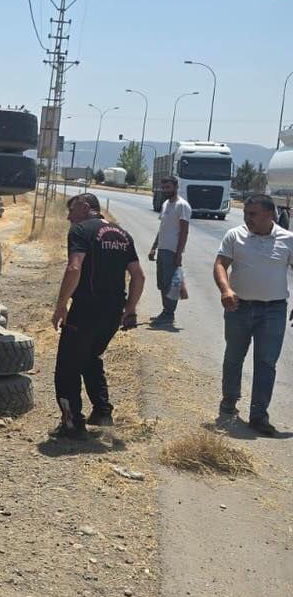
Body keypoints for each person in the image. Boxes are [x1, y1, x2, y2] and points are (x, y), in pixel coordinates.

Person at [52, 193, 145, 439]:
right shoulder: (123, 234)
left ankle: (72, 424)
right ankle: (102, 412)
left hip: (86, 309)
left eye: (72, 210)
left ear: (85, 207)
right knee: (91, 357)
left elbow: (74, 267)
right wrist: (130, 309)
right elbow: (139, 275)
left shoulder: (81, 231)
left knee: (67, 367)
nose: (69, 217)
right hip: (113, 311)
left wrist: (61, 305)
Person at [213, 193, 293, 435]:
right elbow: (220, 264)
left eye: (253, 214)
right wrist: (226, 289)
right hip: (239, 308)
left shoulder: (288, 239)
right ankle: (229, 402)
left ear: (270, 215)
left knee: (266, 363)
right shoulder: (235, 235)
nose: (247, 218)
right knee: (234, 356)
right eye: (246, 213)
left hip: (274, 310)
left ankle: (259, 415)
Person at [149, 176, 191, 326]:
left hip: (172, 251)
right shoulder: (166, 204)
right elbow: (162, 229)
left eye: (168, 187)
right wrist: (154, 247)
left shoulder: (182, 206)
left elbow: (184, 232)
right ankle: (165, 310)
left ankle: (169, 314)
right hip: (162, 249)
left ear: (175, 187)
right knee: (162, 282)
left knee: (170, 283)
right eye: (164, 187)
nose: (165, 190)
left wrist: (178, 254)